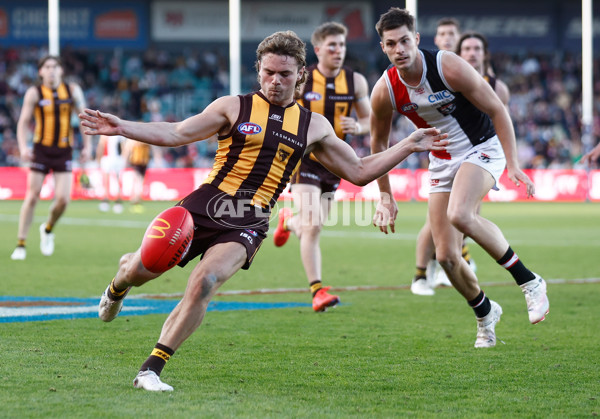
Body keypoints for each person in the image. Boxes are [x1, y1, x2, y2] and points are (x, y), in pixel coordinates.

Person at [79, 30, 448, 392]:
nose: (275, 81)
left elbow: (359, 171)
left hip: (251, 219)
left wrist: (410, 143)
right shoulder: (232, 106)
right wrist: (122, 127)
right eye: (269, 72)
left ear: (300, 75)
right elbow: (176, 133)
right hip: (205, 203)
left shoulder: (313, 125)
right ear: (258, 70)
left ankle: (151, 369)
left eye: (284, 74)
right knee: (141, 269)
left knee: (205, 281)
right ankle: (118, 285)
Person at [370, 8, 549, 348]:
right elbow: (378, 144)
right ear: (383, 47)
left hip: (482, 147)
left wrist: (512, 164)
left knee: (460, 214)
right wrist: (384, 195)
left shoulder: (446, 65)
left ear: (417, 39)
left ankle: (529, 281)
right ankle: (485, 313)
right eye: (391, 44)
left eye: (405, 41)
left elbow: (497, 108)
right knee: (447, 257)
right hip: (441, 161)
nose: (400, 50)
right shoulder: (385, 90)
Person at [271, 22, 371, 312]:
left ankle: (288, 221)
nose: (338, 50)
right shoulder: (303, 79)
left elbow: (368, 120)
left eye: (342, 45)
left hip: (337, 163)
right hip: (305, 158)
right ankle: (317, 290)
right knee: (313, 226)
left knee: (311, 225)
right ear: (318, 49)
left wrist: (359, 126)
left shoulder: (357, 82)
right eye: (332, 46)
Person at [10, 55, 91, 261]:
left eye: (55, 66)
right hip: (41, 150)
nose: (52, 70)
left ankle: (47, 229)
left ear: (61, 70)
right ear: (40, 71)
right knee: (32, 195)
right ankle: (21, 243)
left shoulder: (72, 91)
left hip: (64, 149)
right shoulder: (34, 93)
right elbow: (23, 122)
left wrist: (88, 146)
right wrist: (22, 146)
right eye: (47, 67)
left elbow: (84, 120)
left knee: (64, 200)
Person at [410, 17, 465, 295]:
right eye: (441, 33)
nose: (446, 37)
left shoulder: (470, 72)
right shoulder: (432, 68)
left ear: (459, 38)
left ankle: (452, 261)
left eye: (451, 33)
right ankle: (422, 274)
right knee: (438, 219)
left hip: (473, 154)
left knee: (465, 215)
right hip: (442, 154)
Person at [122, 138, 161, 214]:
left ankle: (135, 200)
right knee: (139, 182)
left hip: (140, 162)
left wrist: (125, 161)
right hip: (139, 162)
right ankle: (136, 201)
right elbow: (155, 149)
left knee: (139, 182)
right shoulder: (142, 138)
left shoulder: (137, 138)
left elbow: (127, 150)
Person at [97, 134, 127, 213]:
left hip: (116, 159)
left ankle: (116, 200)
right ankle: (108, 200)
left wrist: (124, 158)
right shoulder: (106, 134)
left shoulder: (118, 134)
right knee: (108, 180)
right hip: (109, 158)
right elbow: (101, 146)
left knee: (116, 180)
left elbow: (123, 147)